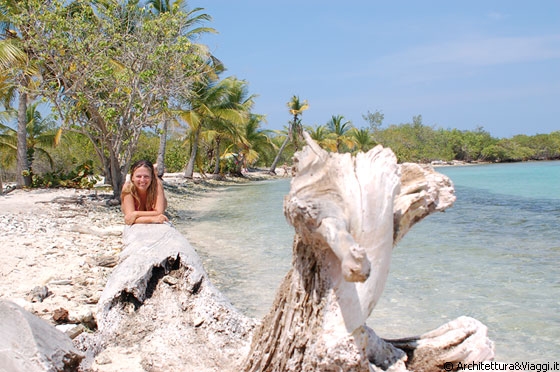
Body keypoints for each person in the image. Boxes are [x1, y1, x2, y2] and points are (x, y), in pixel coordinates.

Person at [121, 160, 168, 225]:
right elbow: (129, 219)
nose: (142, 180)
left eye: (146, 176)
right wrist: (153, 219)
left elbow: (159, 212)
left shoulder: (157, 185)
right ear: (132, 178)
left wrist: (136, 214)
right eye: (138, 176)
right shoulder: (128, 188)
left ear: (152, 178)